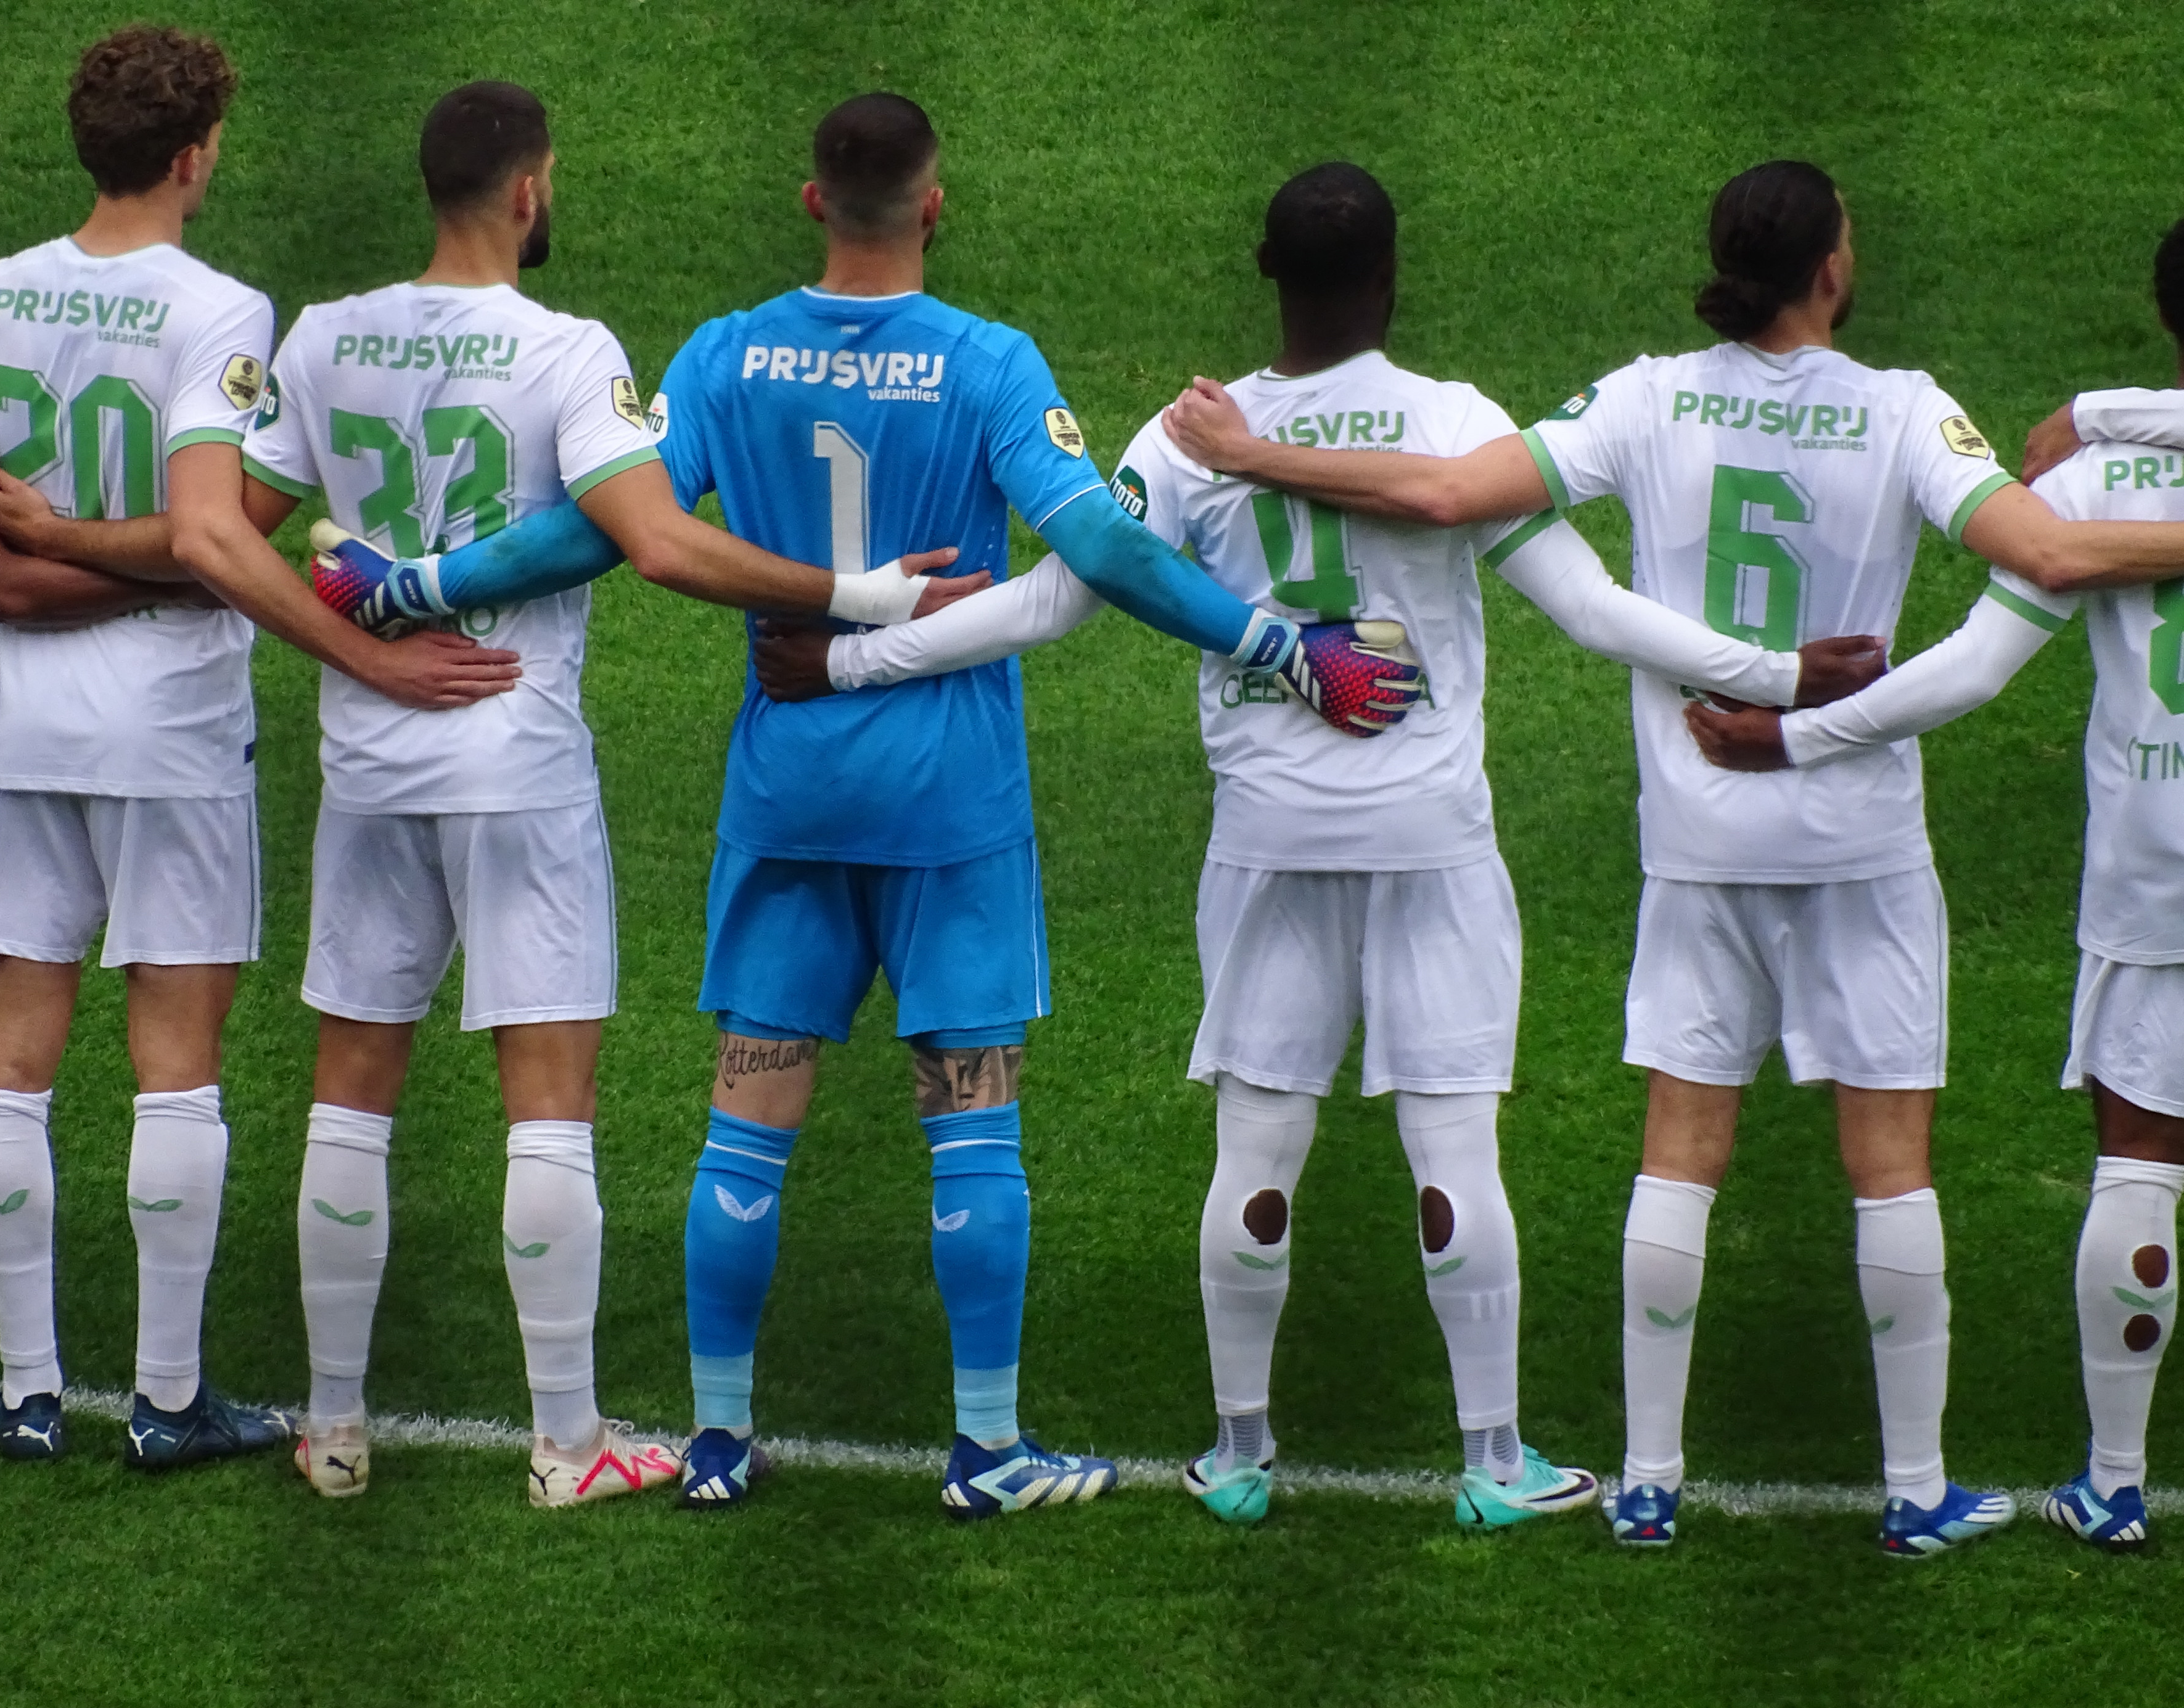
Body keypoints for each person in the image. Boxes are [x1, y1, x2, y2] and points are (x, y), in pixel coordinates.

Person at [753, 161, 1886, 1527]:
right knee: (1453, 1144)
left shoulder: (1190, 437)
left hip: (1267, 836)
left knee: (1258, 1142)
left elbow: (1057, 600)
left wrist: (860, 659)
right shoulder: (1457, 426)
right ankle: (1494, 1462)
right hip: (1430, 837)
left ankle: (1239, 1455)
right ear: (1395, 277)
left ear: (1264, 273)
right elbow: (1592, 610)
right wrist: (1773, 675)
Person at [1165, 158, 2184, 1556]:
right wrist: (1819, 719)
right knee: (1890, 1166)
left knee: (1680, 1154)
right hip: (1862, 836)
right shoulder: (1904, 411)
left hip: (1695, 835)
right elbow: (2048, 560)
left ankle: (1648, 1482)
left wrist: (1257, 453)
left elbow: (1450, 495)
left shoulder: (1640, 397)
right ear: (1831, 267)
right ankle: (1915, 1489)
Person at [204, 82, 982, 1507]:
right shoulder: (567, 350)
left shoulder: (320, 337)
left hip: (368, 768)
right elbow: (660, 545)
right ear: (529, 188)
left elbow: (219, 532)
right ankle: (568, 1444)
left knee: (349, 1095)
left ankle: (330, 1428)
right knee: (546, 1104)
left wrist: (354, 653)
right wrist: (857, 593)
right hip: (515, 761)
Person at [0, 27, 515, 1469]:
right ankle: (169, 1397)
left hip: (24, 727)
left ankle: (22, 1392)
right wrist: (365, 654)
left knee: (13, 1057)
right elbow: (212, 535)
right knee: (173, 1062)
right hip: (174, 733)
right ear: (196, 155)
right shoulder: (221, 308)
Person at [1694, 215, 2184, 1548]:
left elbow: (1968, 669)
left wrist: (1792, 733)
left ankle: (2117, 1482)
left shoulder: (2093, 486)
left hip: (2158, 865)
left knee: (2143, 1165)